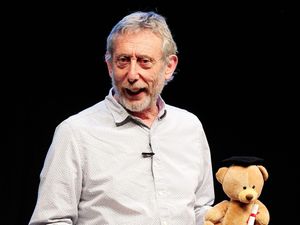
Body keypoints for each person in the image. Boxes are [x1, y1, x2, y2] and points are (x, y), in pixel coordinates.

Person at [29, 11, 215, 225]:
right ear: (109, 65)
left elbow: (200, 209)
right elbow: (51, 221)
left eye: (145, 62)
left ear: (169, 66)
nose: (133, 75)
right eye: (123, 61)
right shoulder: (75, 133)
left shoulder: (190, 127)